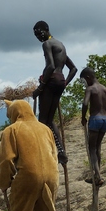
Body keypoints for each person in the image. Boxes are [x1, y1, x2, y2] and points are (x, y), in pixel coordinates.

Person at [31, 21, 77, 164]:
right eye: (36, 35)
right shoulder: (60, 45)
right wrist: (64, 83)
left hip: (51, 81)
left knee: (43, 120)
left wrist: (40, 87)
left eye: (39, 33)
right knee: (49, 120)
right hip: (59, 81)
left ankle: (46, 151)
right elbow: (73, 68)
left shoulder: (47, 44)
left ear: (46, 29)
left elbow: (50, 66)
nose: (38, 37)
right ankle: (61, 151)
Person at [80, 67, 106, 187]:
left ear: (88, 77)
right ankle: (97, 175)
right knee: (98, 148)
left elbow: (85, 103)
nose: (84, 84)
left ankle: (97, 175)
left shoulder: (90, 89)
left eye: (83, 81)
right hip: (104, 120)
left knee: (92, 148)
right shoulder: (105, 89)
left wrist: (83, 117)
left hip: (95, 119)